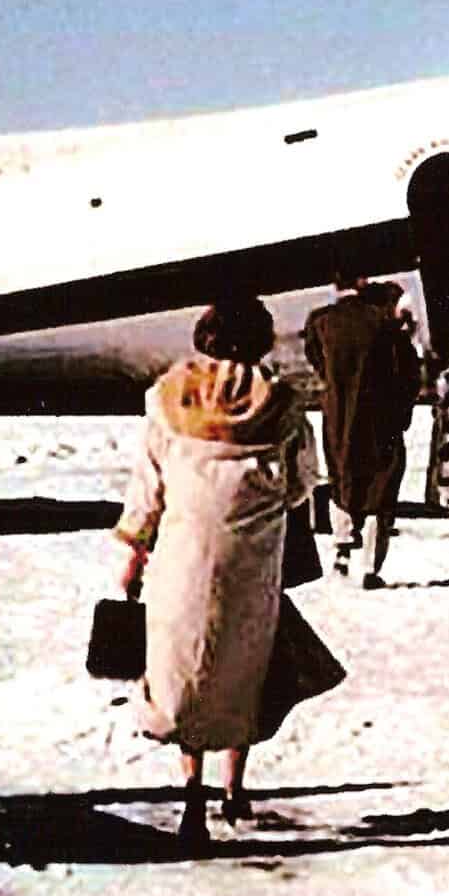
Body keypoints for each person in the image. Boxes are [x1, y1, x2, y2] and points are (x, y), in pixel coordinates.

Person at [115, 297, 319, 843]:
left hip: (181, 556)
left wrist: (134, 552)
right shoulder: (284, 405)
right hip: (252, 559)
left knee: (188, 668)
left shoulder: (168, 397)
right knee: (243, 666)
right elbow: (303, 482)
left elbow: (148, 488)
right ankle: (234, 789)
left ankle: (192, 796)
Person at [303, 276, 423, 588]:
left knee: (341, 481)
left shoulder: (321, 321)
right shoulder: (385, 325)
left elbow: (316, 360)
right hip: (381, 418)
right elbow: (409, 374)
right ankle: (369, 568)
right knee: (380, 488)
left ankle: (341, 552)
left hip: (338, 415)